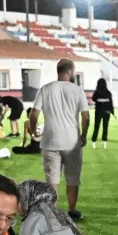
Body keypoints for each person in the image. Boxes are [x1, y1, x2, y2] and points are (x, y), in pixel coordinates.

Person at [30, 59, 89, 221]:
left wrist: (34, 131)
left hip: (50, 140)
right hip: (72, 141)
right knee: (73, 178)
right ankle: (72, 210)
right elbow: (85, 116)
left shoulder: (45, 89)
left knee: (52, 179)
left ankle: (53, 213)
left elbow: (34, 114)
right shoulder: (77, 90)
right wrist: (84, 135)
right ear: (69, 71)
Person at [91, 78, 115, 149]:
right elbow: (111, 103)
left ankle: (94, 141)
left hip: (98, 112)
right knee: (105, 127)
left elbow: (93, 99)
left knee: (96, 126)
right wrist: (112, 111)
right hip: (106, 112)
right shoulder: (108, 92)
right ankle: (104, 142)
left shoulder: (97, 92)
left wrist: (99, 100)